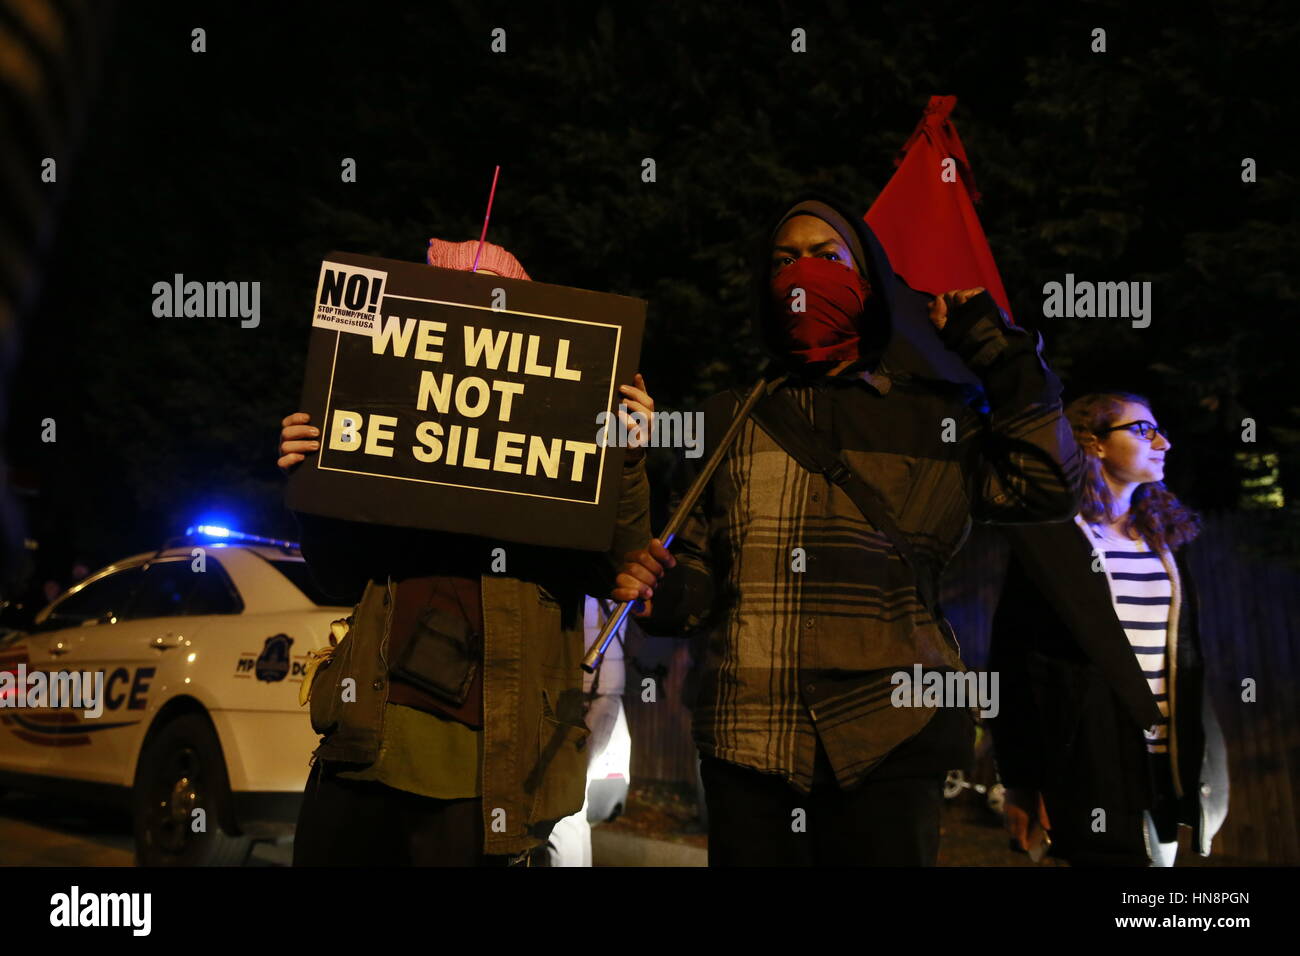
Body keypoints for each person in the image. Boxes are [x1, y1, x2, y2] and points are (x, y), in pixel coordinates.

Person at [614, 190, 1084, 865]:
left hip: (890, 738)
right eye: (783, 262)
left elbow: (1049, 485)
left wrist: (1001, 353)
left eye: (824, 256)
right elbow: (698, 568)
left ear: (866, 276)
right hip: (749, 742)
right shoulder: (730, 418)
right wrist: (665, 592)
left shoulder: (937, 419)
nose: (802, 275)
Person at [280, 237, 653, 866]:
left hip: (488, 775)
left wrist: (629, 460)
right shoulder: (389, 454)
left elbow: (622, 567)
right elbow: (335, 573)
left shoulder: (561, 469)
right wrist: (311, 476)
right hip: (366, 750)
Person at [989, 392, 1229, 866]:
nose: (1163, 441)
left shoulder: (1163, 541)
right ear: (1095, 443)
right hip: (1087, 758)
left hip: (1164, 759)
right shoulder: (1055, 539)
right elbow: (1011, 658)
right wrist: (1020, 777)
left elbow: (1185, 656)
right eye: (1142, 430)